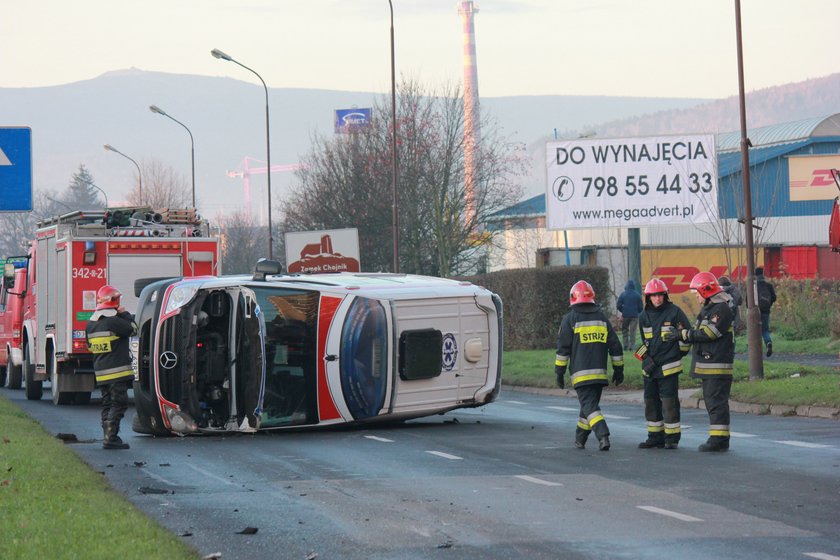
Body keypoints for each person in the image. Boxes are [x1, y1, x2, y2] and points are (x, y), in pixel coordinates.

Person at [555, 280, 624, 451]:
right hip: (600, 374)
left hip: (581, 375)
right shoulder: (602, 318)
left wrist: (559, 372)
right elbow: (615, 346)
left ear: (573, 298)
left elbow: (563, 350)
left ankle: (603, 435)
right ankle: (580, 439)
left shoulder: (570, 319)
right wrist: (618, 369)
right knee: (588, 407)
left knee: (590, 407)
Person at [679, 272, 735, 452]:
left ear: (705, 291)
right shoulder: (710, 309)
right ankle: (720, 438)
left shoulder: (721, 309)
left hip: (716, 365)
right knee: (713, 402)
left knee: (716, 402)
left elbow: (710, 334)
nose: (696, 296)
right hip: (709, 364)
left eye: (697, 292)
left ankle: (718, 440)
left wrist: (684, 335)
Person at [636, 278, 692, 450]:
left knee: (669, 404)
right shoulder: (643, 316)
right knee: (651, 403)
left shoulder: (674, 312)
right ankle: (655, 436)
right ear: (648, 297)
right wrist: (644, 358)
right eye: (654, 296)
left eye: (660, 295)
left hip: (669, 367)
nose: (657, 299)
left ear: (665, 296)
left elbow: (686, 336)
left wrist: (677, 355)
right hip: (650, 369)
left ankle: (672, 438)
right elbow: (641, 342)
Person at [85, 285, 137, 450]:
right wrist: (124, 313)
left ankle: (107, 436)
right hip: (117, 372)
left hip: (100, 373)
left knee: (107, 403)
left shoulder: (91, 325)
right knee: (119, 403)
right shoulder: (115, 321)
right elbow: (134, 329)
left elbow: (89, 347)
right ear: (113, 301)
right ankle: (111, 437)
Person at [754, 267, 777, 357]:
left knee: (754, 330)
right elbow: (774, 297)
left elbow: (748, 301)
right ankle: (768, 342)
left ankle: (756, 349)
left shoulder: (754, 286)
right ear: (763, 274)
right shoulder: (768, 285)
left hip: (755, 311)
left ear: (755, 275)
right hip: (766, 311)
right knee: (764, 330)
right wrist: (768, 305)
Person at [616, 280, 644, 350]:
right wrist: (637, 312)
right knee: (632, 331)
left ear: (626, 286)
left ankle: (625, 345)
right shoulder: (637, 295)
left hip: (625, 316)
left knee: (625, 330)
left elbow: (618, 305)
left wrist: (623, 310)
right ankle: (631, 346)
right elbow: (641, 307)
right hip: (634, 316)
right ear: (633, 286)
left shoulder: (623, 294)